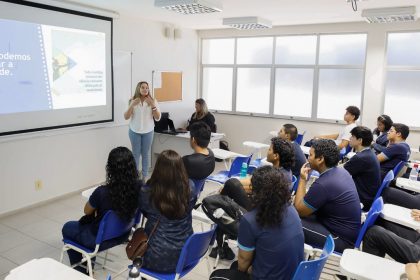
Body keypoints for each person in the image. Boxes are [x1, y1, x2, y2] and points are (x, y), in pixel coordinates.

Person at [210, 166, 304, 280]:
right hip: (295, 275)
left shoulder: (250, 220)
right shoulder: (292, 210)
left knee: (216, 276)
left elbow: (243, 264)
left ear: (254, 189)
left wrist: (250, 268)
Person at [211, 137, 294, 260]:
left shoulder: (279, 176)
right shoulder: (284, 172)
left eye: (270, 149)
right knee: (229, 192)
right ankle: (222, 238)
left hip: (261, 213)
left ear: (276, 156)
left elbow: (250, 186)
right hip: (265, 207)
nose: (268, 151)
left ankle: (221, 239)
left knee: (230, 186)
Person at [62, 147, 140, 274]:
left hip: (99, 239)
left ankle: (82, 272)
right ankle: (87, 265)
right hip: (123, 234)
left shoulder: (102, 192)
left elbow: (87, 211)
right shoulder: (139, 188)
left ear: (110, 168)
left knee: (68, 227)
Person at [294, 139, 361, 253]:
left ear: (320, 159)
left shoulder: (324, 184)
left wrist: (302, 179)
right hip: (340, 229)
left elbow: (299, 210)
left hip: (339, 240)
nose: (308, 158)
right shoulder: (340, 171)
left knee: (289, 221)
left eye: (310, 155)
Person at [139, 150, 196, 273]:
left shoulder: (147, 192)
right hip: (187, 254)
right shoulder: (190, 188)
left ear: (158, 169)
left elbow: (145, 213)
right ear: (181, 168)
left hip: (156, 257)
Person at [124, 81, 161, 179]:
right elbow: (126, 117)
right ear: (138, 89)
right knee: (135, 154)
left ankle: (144, 177)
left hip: (148, 131)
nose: (145, 89)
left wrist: (153, 105)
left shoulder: (153, 100)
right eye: (143, 87)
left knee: (145, 154)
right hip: (134, 131)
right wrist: (132, 105)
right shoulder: (132, 100)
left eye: (147, 88)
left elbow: (157, 118)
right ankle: (135, 177)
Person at [343, 126, 381, 210]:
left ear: (360, 140)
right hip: (367, 196)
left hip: (362, 199)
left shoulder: (361, 158)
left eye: (352, 136)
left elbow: (339, 173)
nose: (349, 138)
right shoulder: (369, 153)